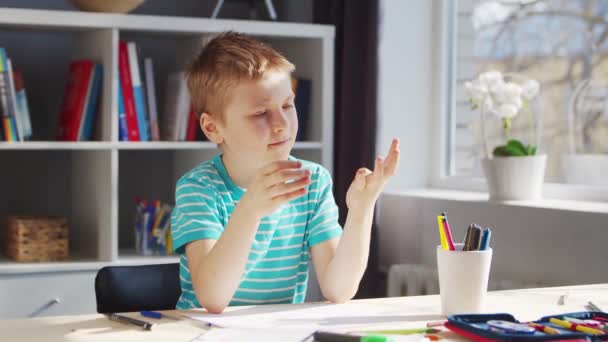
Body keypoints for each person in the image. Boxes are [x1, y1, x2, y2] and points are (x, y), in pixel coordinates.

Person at [171, 31, 400, 313]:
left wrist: (362, 210)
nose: (281, 124)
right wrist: (250, 210)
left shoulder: (312, 182)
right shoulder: (199, 188)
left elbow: (338, 289)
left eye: (287, 105)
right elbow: (213, 299)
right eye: (259, 114)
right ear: (212, 128)